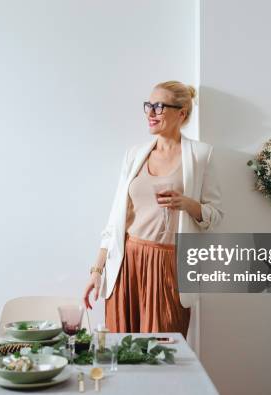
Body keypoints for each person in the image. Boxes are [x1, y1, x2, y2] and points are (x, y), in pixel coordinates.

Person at [83, 81, 224, 339]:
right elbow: (116, 220)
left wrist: (187, 204)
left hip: (169, 265)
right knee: (121, 349)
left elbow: (215, 217)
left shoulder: (201, 155)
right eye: (148, 105)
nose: (150, 113)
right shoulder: (134, 155)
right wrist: (97, 270)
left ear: (181, 113)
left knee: (164, 351)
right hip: (126, 263)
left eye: (159, 107)